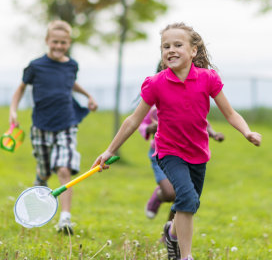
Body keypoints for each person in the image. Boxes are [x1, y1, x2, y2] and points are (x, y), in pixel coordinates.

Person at [92, 22, 261, 260]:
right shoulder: (156, 83)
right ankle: (186, 255)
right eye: (165, 46)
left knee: (188, 202)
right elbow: (133, 120)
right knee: (187, 198)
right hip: (169, 152)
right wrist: (110, 150)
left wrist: (247, 132)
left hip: (198, 154)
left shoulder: (208, 79)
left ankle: (171, 234)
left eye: (177, 45)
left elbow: (230, 113)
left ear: (193, 51)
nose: (170, 50)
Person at [8, 20, 98, 235]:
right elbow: (21, 89)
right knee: (44, 173)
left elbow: (69, 83)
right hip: (41, 126)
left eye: (63, 43)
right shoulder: (36, 66)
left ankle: (65, 220)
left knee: (64, 169)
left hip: (66, 124)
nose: (59, 46)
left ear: (68, 43)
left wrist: (88, 96)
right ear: (47, 41)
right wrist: (13, 111)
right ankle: (32, 209)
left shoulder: (72, 65)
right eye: (55, 42)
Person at [140, 90, 225, 222]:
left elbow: (202, 121)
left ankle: (170, 235)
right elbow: (141, 124)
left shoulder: (189, 99)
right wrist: (151, 128)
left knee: (183, 194)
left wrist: (214, 134)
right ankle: (158, 196)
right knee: (170, 193)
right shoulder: (153, 106)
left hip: (185, 153)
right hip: (161, 152)